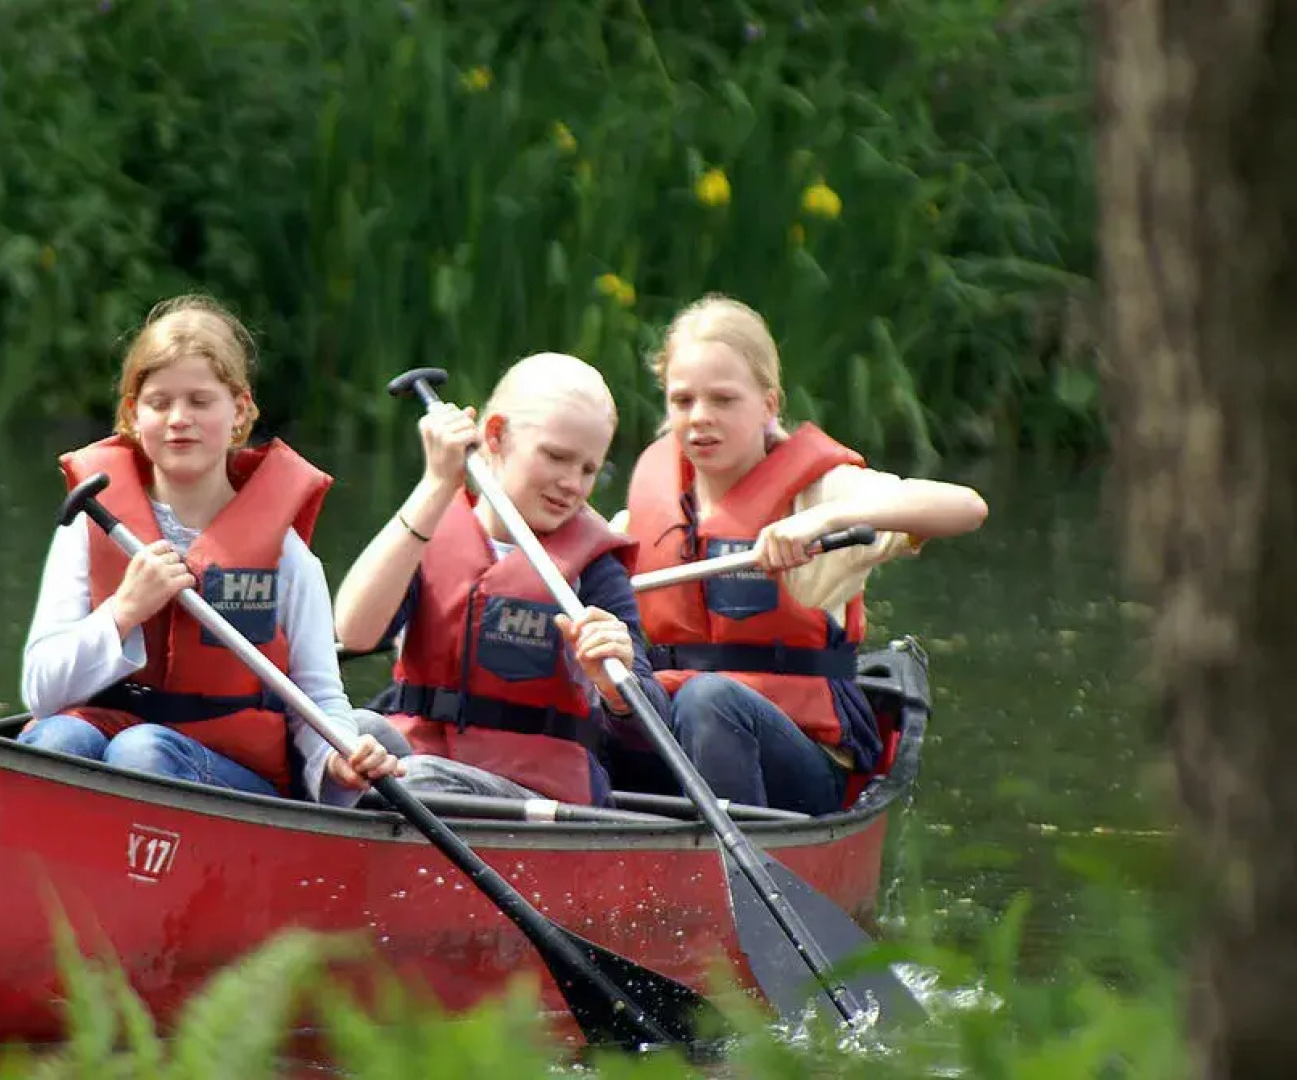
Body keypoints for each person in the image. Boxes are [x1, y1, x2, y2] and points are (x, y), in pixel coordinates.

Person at [17, 294, 403, 804]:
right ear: (133, 414)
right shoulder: (87, 531)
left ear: (239, 410)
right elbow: (41, 691)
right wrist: (123, 611)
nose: (179, 418)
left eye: (200, 401)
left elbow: (317, 697)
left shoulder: (286, 555)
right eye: (159, 403)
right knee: (57, 740)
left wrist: (337, 760)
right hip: (108, 732)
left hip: (231, 775)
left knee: (142, 750)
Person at [614, 294, 988, 814]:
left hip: (798, 762)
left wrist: (826, 520)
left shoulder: (820, 493)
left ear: (768, 404)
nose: (700, 418)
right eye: (683, 401)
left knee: (708, 700)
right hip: (677, 745)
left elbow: (967, 507)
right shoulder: (643, 514)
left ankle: (736, 857)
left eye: (723, 400)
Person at [332, 354, 670, 808]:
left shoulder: (595, 569)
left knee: (416, 779)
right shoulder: (430, 529)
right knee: (344, 732)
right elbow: (353, 631)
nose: (573, 483)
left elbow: (650, 725)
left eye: (589, 469)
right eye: (556, 457)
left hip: (534, 795)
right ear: (495, 436)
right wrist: (435, 484)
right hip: (423, 761)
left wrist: (616, 683)